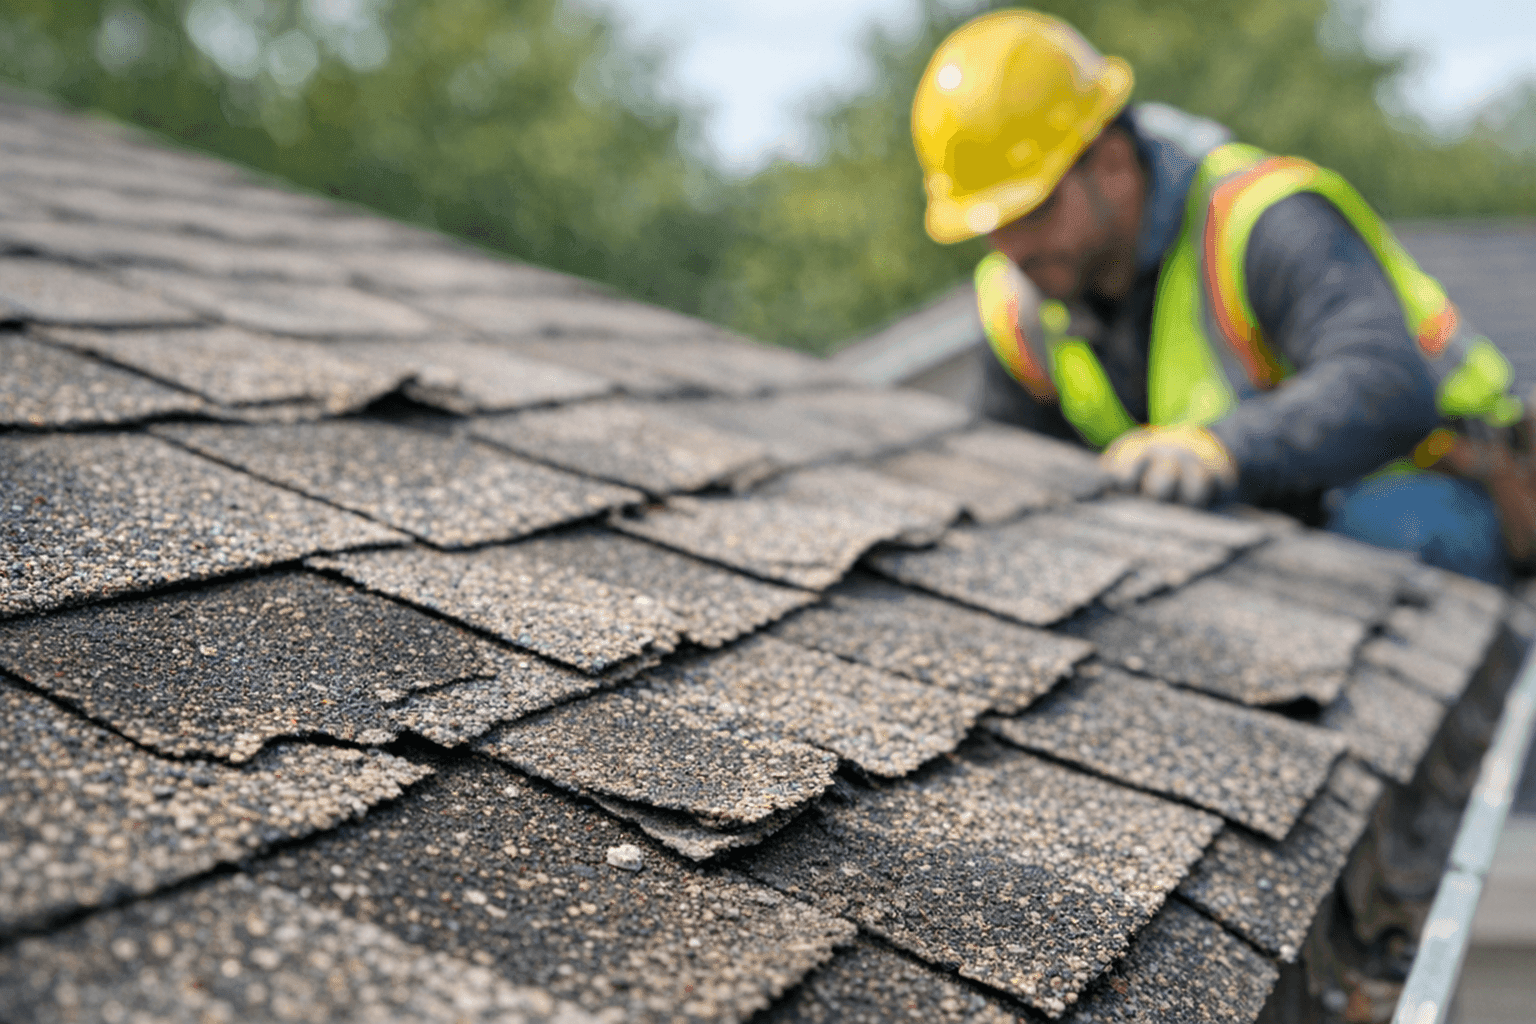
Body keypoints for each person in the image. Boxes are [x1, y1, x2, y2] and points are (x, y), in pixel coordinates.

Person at [911, 9, 1530, 583]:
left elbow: (1386, 384)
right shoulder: (1017, 307)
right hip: (1259, 523)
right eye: (991, 227)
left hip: (1437, 484)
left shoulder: (1258, 219)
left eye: (1034, 210)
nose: (1013, 247)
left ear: (1112, 164)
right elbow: (1013, 482)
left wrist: (1222, 450)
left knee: (1393, 537)